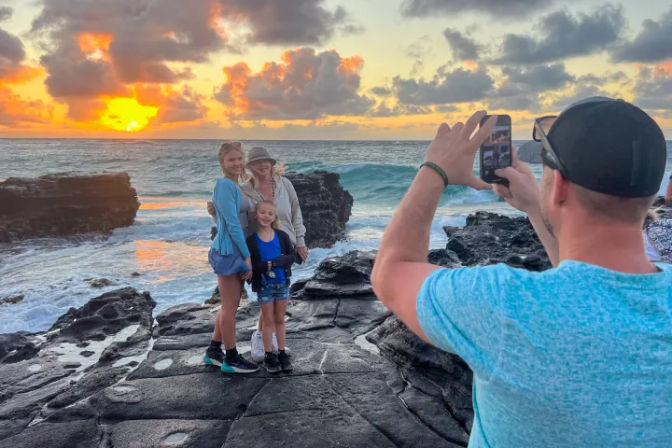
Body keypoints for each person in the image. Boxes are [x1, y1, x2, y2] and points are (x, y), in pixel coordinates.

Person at [372, 98, 671, 447]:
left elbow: (392, 270)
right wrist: (534, 205)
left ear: (558, 186)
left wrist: (434, 170)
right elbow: (591, 289)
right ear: (652, 194)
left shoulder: (506, 305)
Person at [240, 147, 307, 361]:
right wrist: (216, 212)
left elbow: (296, 211)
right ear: (249, 166)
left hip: (285, 248)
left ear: (271, 162)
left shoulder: (284, 183)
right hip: (261, 249)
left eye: (266, 161)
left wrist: (301, 242)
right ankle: (261, 337)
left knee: (278, 291)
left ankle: (266, 337)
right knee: (266, 293)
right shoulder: (244, 190)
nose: (262, 165)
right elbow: (237, 219)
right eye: (257, 162)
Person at [203, 142, 259, 374]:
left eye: (239, 159)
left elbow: (226, 221)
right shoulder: (225, 185)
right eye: (231, 160)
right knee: (230, 306)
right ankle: (231, 357)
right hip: (229, 251)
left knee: (231, 305)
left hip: (233, 247)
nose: (236, 163)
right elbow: (234, 226)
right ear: (222, 163)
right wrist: (247, 258)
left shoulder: (235, 186)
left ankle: (214, 351)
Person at [246, 201, 296, 373]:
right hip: (264, 287)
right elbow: (252, 266)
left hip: (282, 284)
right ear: (256, 215)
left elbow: (291, 256)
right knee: (268, 321)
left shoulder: (281, 236)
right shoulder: (251, 241)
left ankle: (281, 352)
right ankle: (269, 355)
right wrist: (266, 266)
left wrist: (273, 263)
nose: (266, 216)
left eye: (270, 213)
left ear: (274, 217)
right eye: (263, 212)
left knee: (280, 319)